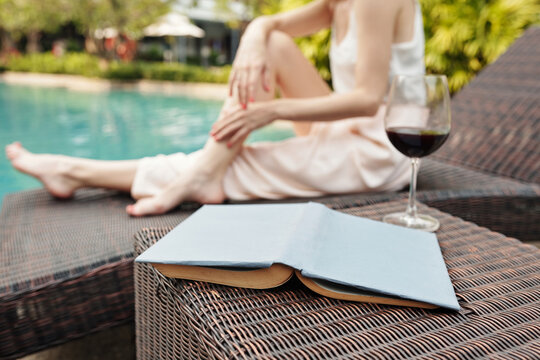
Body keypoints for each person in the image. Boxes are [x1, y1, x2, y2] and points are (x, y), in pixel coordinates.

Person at [5, 0, 424, 217]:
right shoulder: (337, 1)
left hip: (383, 149)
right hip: (343, 132)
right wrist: (255, 35)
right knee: (270, 45)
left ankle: (75, 171)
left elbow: (370, 98)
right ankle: (206, 171)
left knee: (240, 165)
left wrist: (274, 111)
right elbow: (271, 27)